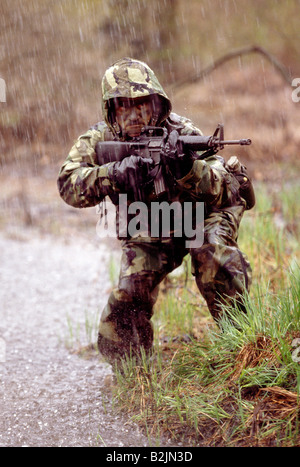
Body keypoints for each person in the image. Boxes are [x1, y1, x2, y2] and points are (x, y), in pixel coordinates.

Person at [57, 57, 254, 367]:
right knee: (130, 291)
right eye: (123, 106)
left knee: (210, 251)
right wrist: (115, 174)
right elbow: (68, 184)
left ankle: (243, 342)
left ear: (156, 104)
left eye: (142, 105)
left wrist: (188, 169)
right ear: (111, 110)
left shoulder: (180, 131)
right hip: (151, 228)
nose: (135, 115)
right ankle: (131, 370)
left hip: (200, 216)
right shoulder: (99, 140)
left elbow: (224, 186)